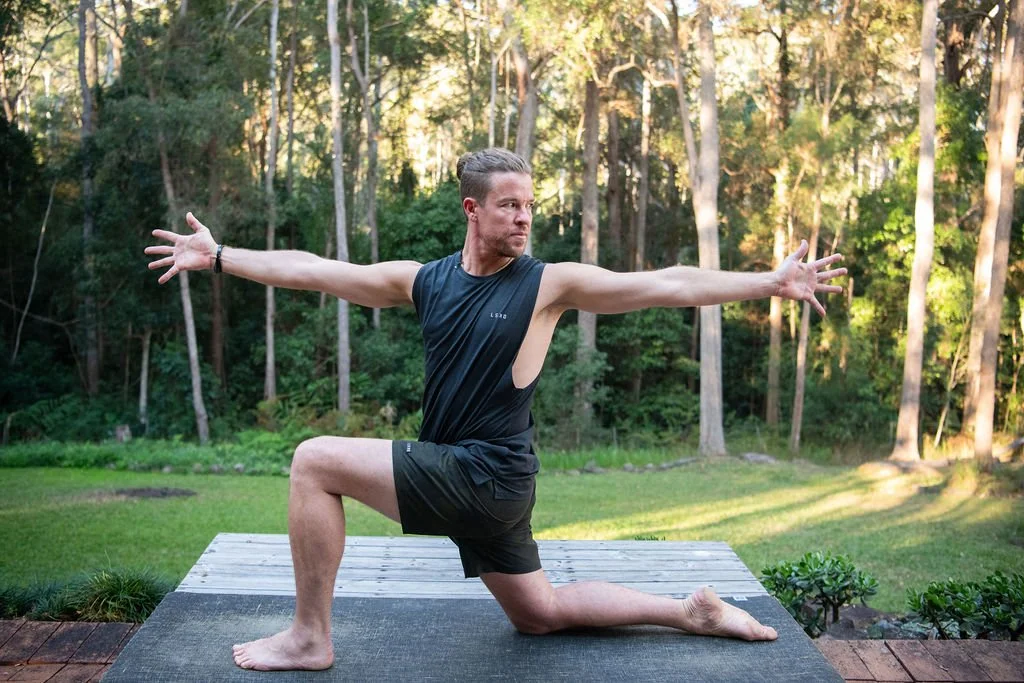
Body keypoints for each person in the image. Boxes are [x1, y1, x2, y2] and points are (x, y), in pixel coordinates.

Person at [146, 147, 846, 672]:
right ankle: (689, 610)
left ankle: (308, 636)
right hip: (486, 481)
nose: (524, 217)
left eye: (530, 206)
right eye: (510, 204)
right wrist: (221, 256)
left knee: (313, 460)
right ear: (471, 208)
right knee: (539, 615)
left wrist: (768, 281)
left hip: (485, 475)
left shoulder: (548, 284)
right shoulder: (424, 282)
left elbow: (664, 283)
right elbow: (318, 270)